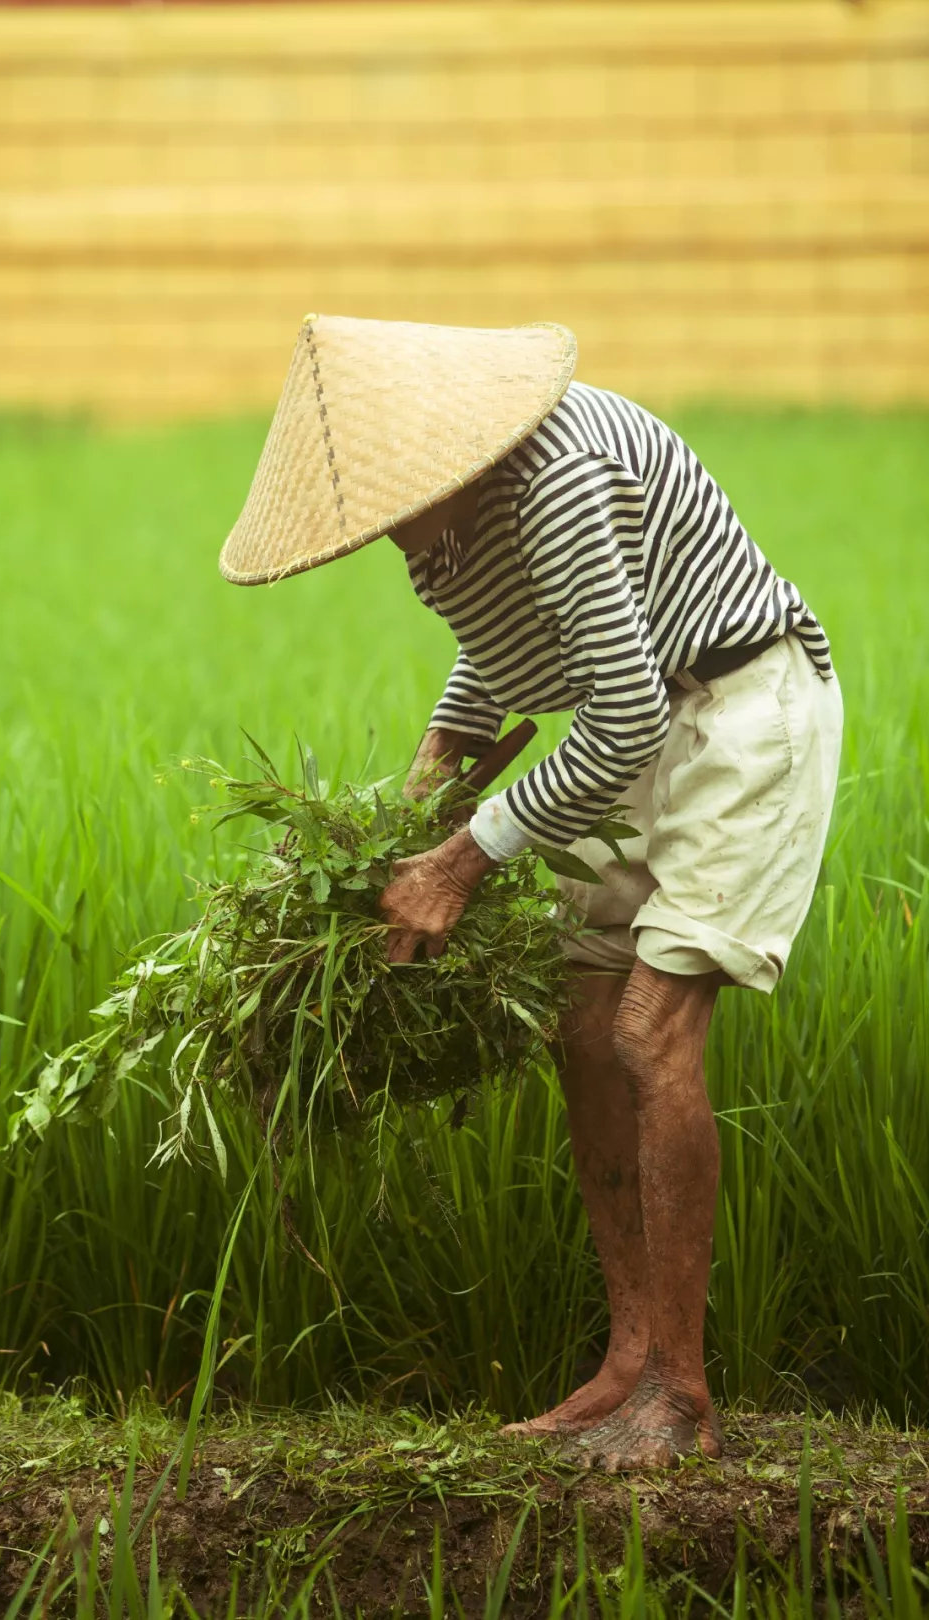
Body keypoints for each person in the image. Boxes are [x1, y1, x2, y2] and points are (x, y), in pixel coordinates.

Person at [220, 315, 843, 1471]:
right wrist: (413, 810)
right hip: (649, 727)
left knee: (651, 1035)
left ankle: (683, 1397)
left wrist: (460, 863)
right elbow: (501, 649)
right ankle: (630, 1359)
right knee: (579, 1021)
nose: (393, 538)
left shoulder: (557, 476)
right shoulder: (458, 518)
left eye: (395, 508)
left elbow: (619, 719)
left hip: (740, 716)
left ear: (440, 458)